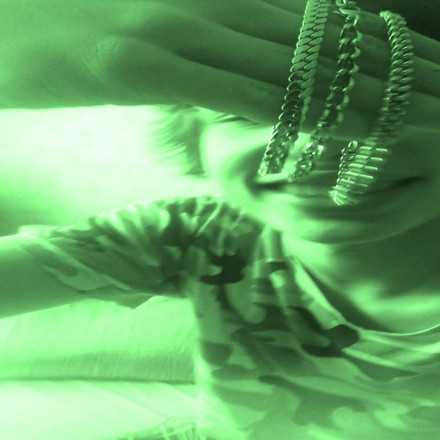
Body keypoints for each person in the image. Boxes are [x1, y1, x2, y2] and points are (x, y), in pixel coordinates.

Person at [1, 0, 440, 439]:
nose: (318, 146)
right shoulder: (192, 233)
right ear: (194, 137)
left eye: (394, 104)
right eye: (251, 113)